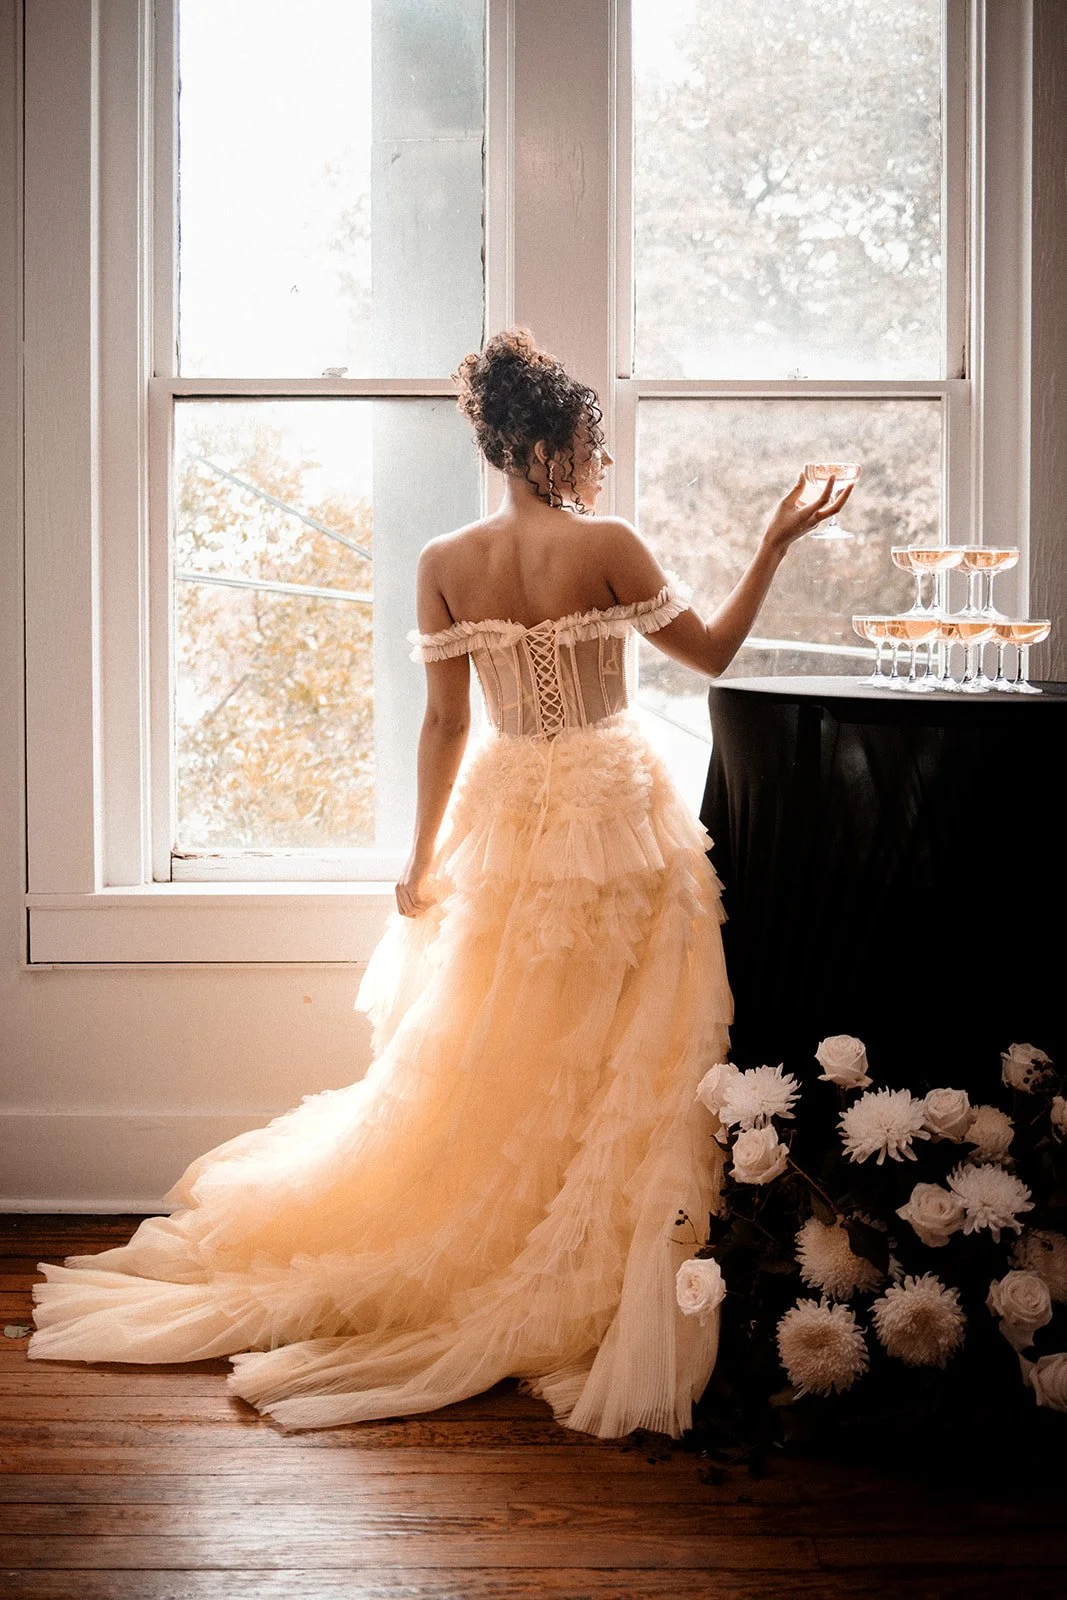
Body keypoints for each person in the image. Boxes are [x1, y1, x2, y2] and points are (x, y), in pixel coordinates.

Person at [28, 328, 852, 1439]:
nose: (593, 464)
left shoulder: (442, 561)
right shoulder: (604, 540)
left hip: (505, 814)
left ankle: (497, 1231)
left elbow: (445, 724)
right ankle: (552, 1249)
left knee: (506, 1047)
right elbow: (708, 655)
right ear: (551, 442)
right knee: (617, 1045)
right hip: (610, 812)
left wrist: (418, 855)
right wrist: (770, 543)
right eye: (585, 442)